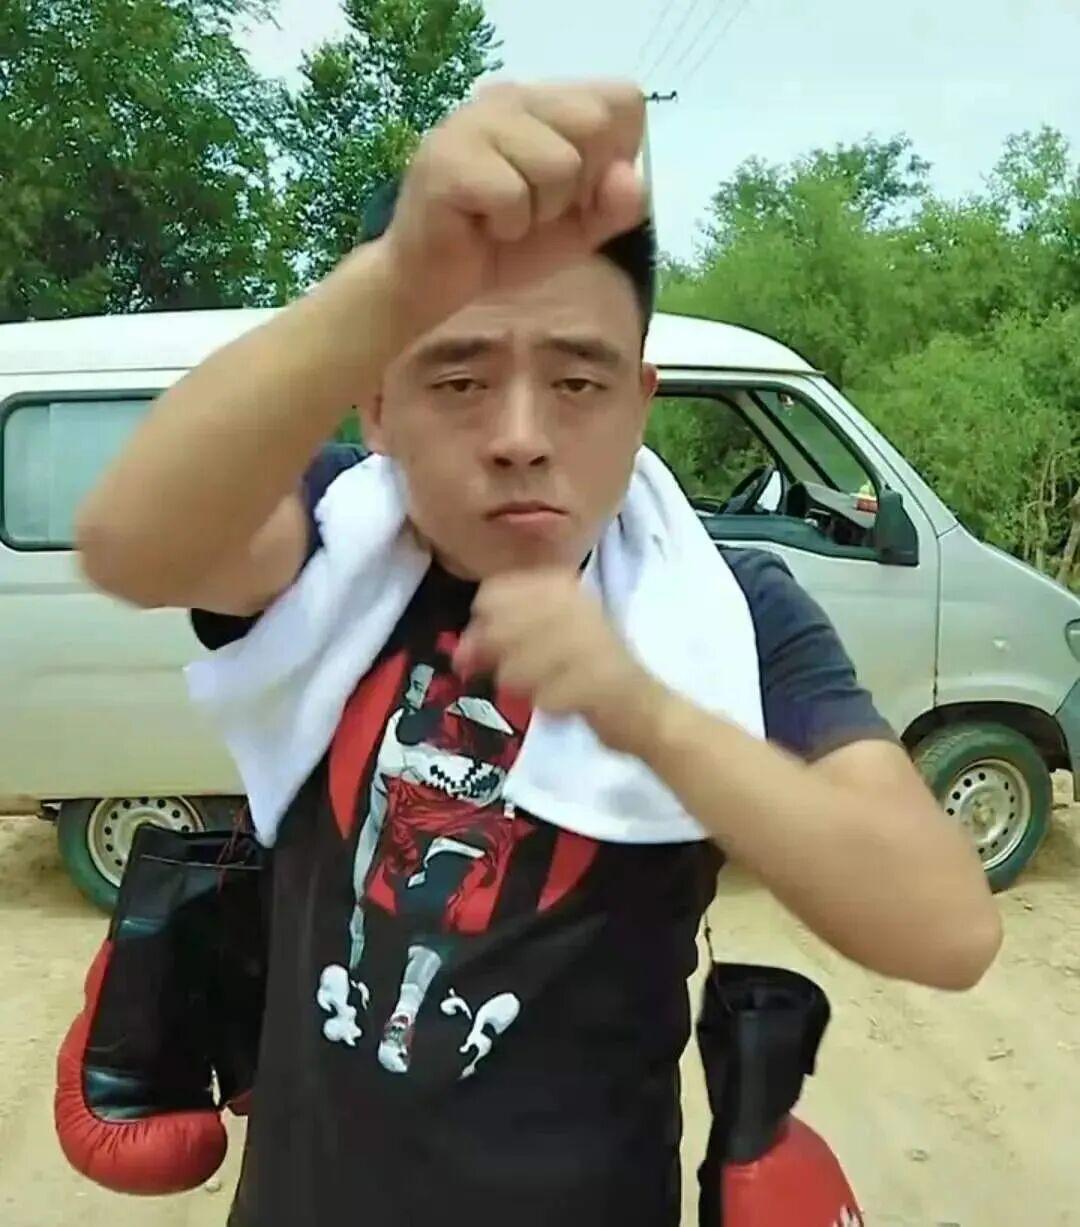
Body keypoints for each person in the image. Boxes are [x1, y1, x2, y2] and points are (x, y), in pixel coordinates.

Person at [76, 80, 1001, 1227]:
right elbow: (127, 543)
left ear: (640, 400)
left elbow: (948, 930)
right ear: (379, 407)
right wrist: (394, 276)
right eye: (460, 380)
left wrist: (644, 711)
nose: (520, 437)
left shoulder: (728, 614)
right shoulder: (334, 544)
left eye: (576, 382)